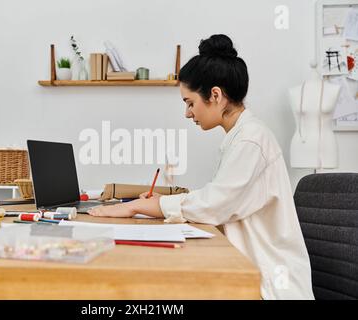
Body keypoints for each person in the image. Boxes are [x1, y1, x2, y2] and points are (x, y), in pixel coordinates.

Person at [88, 34, 314, 300]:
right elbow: (222, 198)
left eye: (189, 102)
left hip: (269, 285)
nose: (187, 113)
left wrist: (136, 206)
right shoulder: (241, 136)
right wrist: (165, 203)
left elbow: (215, 204)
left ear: (215, 95)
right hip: (249, 269)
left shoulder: (252, 140)